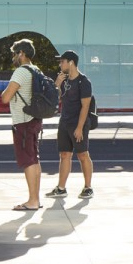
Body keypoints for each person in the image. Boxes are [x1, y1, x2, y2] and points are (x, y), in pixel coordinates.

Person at [0, 38, 45, 212]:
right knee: (34, 158)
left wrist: (6, 90)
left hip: (23, 122)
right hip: (34, 119)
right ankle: (35, 198)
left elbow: (5, 97)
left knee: (28, 160)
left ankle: (32, 201)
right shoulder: (36, 70)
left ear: (22, 54)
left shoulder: (21, 72)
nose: (14, 57)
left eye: (15, 53)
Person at [49, 50, 95, 200]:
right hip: (65, 121)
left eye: (62, 61)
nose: (60, 64)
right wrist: (57, 84)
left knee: (82, 154)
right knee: (64, 154)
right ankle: (61, 188)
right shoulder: (65, 80)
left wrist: (80, 127)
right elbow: (57, 99)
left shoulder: (84, 81)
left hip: (78, 122)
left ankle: (88, 187)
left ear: (71, 63)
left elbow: (85, 106)